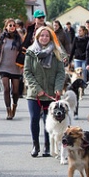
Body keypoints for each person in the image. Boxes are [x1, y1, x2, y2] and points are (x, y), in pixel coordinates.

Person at [23, 25, 67, 158]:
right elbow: (27, 72)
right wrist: (37, 89)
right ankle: (35, 145)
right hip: (35, 93)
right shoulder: (30, 52)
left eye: (47, 35)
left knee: (49, 120)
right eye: (42, 35)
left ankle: (48, 146)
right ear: (37, 37)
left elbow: (61, 72)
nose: (44, 38)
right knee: (34, 119)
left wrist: (58, 88)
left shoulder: (56, 52)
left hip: (51, 93)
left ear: (51, 37)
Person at [0, 18, 24, 120]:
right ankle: (8, 110)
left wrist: (23, 66)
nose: (12, 27)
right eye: (10, 25)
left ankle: (14, 105)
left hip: (15, 67)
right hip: (4, 66)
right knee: (6, 88)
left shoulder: (18, 39)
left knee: (15, 91)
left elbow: (23, 53)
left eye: (13, 25)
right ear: (6, 27)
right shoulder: (2, 39)